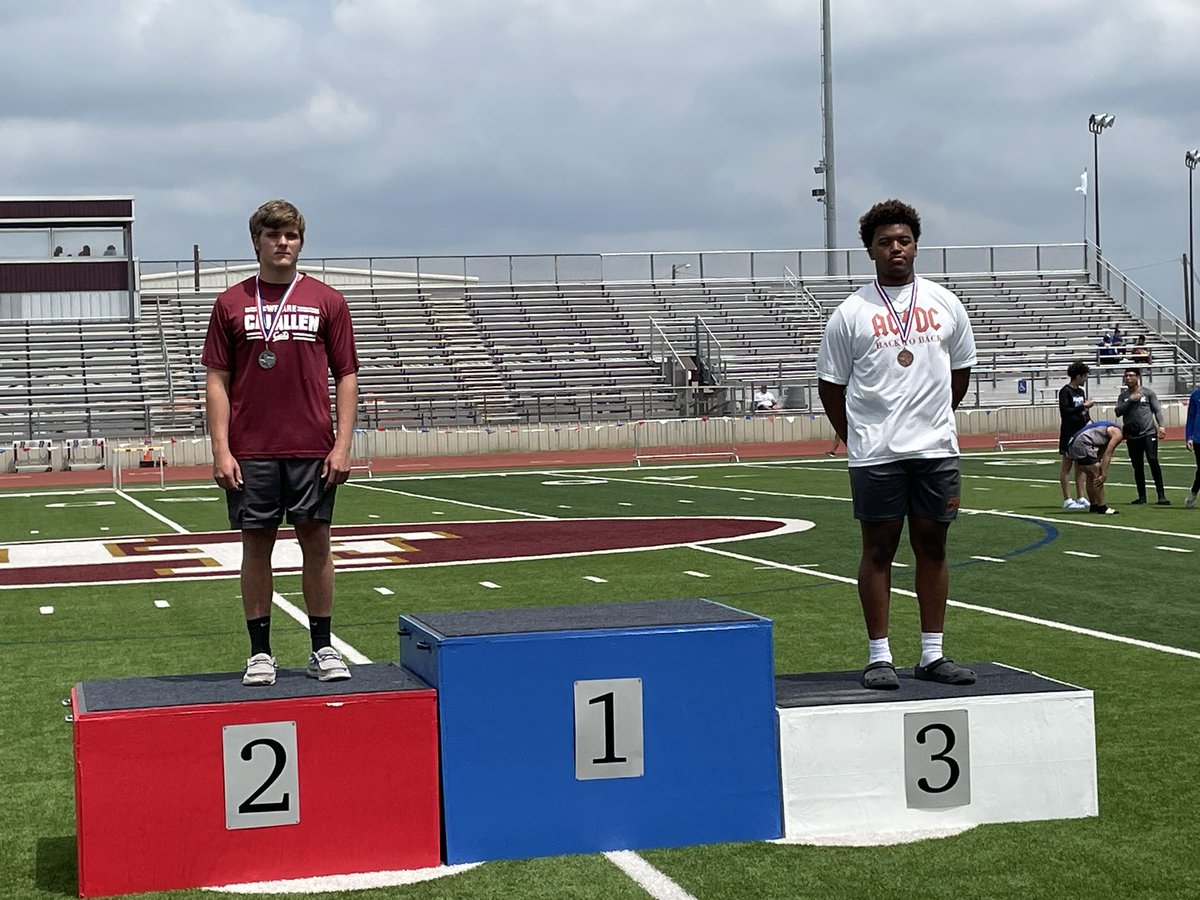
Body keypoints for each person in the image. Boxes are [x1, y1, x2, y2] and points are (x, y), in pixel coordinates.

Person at [816, 199, 978, 691]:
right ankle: (879, 655)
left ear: (916, 245)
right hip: (877, 454)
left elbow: (961, 372)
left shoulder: (945, 303)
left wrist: (934, 420)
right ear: (869, 250)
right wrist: (856, 437)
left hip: (935, 450)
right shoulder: (850, 314)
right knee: (879, 549)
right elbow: (830, 385)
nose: (896, 249)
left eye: (904, 240)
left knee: (933, 545)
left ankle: (933, 654)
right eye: (885, 242)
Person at [202, 199, 360, 686]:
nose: (283, 243)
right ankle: (260, 652)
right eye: (273, 235)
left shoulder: (326, 300)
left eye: (290, 235)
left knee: (317, 543)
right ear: (257, 242)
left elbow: (348, 376)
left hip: (313, 446)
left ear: (301, 241)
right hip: (252, 450)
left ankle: (322, 647)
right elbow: (216, 380)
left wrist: (342, 444)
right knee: (256, 547)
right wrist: (221, 450)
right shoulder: (231, 302)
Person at [1115, 367, 1169, 505]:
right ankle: (1142, 496)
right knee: (1137, 465)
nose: (1128, 378)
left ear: (1138, 377)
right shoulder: (1123, 396)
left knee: (1152, 459)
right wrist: (1130, 401)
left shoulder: (1148, 393)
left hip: (1149, 432)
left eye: (1131, 375)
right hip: (1132, 436)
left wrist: (1161, 425)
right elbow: (1118, 412)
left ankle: (1161, 495)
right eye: (1126, 376)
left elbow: (1157, 410)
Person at [1066, 421, 1125, 515]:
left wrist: (1097, 462)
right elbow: (1108, 454)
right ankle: (1102, 507)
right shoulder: (1117, 434)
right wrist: (1104, 473)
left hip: (1074, 443)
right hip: (1082, 443)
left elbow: (1102, 451)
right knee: (1098, 474)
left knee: (1091, 475)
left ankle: (1094, 505)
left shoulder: (1111, 428)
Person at [1057, 361, 1094, 510]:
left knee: (1081, 466)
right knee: (1067, 466)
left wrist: (1090, 421)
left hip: (1081, 433)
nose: (1085, 379)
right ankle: (1067, 499)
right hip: (1068, 433)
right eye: (1084, 376)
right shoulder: (1065, 391)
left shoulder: (1080, 392)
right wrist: (1083, 406)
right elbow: (1065, 411)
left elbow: (1083, 413)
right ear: (1078, 376)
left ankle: (1081, 496)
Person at [1186, 384, 1200, 509]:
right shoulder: (1196, 395)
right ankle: (1193, 493)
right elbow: (1191, 416)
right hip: (1198, 438)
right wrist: (1189, 436)